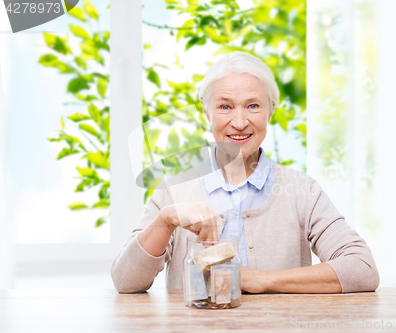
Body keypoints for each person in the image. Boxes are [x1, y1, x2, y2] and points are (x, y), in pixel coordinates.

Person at [110, 51, 379, 294]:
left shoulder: (301, 190)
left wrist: (261, 280)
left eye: (253, 106)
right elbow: (125, 281)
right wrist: (165, 220)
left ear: (271, 109)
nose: (239, 123)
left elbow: (362, 268)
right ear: (206, 111)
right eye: (225, 106)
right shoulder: (176, 187)